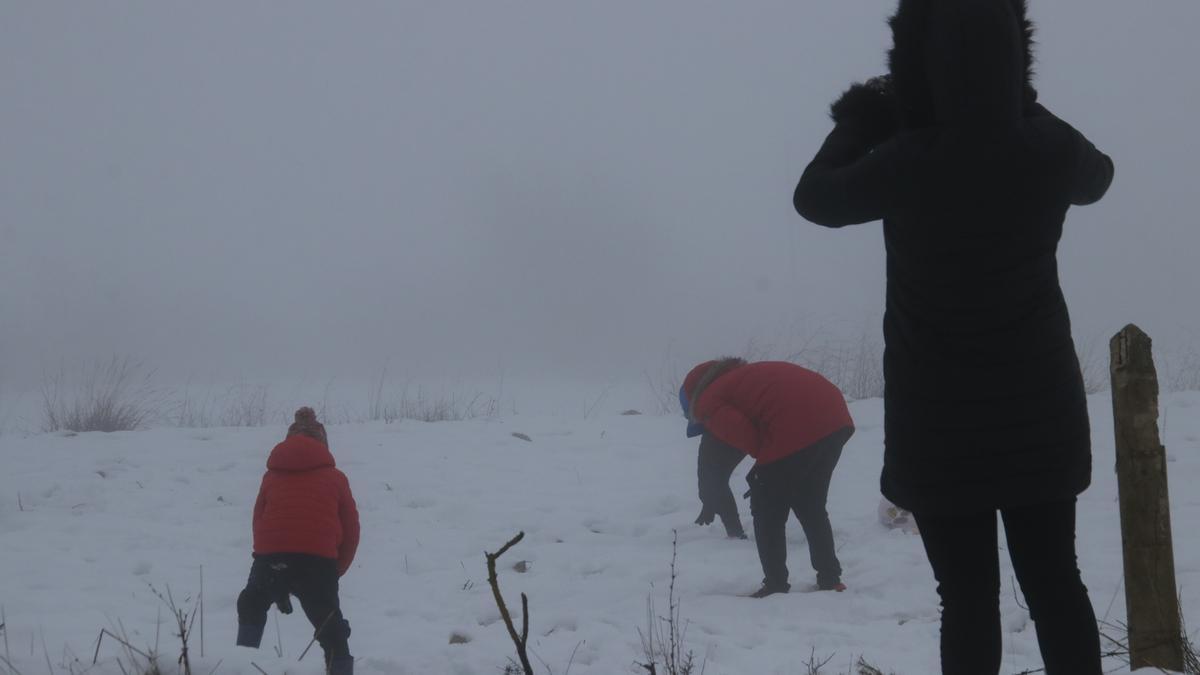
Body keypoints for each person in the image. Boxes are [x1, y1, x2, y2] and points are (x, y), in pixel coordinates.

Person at [793, 1, 1113, 672]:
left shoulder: (906, 159)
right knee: (1057, 586)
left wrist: (860, 118)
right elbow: (1099, 175)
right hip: (1042, 412)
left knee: (966, 596)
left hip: (938, 420)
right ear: (1014, 53)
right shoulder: (1049, 150)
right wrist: (1022, 103)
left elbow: (814, 198)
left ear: (917, 62)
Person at [680, 358, 854, 597]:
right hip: (836, 419)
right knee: (810, 503)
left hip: (795, 424)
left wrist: (763, 474)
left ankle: (775, 584)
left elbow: (746, 436)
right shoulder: (743, 377)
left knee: (766, 508)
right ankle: (830, 578)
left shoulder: (707, 401)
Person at [236, 407, 360, 675]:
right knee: (330, 626)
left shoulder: (270, 476)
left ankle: (241, 664)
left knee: (251, 604)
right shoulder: (336, 478)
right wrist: (334, 572)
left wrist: (269, 558)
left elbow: (258, 521)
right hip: (318, 562)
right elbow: (351, 532)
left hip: (270, 558)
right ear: (323, 445)